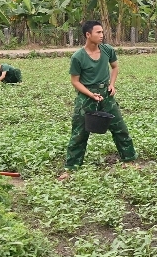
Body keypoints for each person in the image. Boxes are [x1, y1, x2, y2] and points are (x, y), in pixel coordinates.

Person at [58, 20, 137, 180]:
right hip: (86, 97)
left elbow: (115, 67)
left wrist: (112, 85)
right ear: (88, 35)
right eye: (98, 32)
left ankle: (129, 160)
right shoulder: (78, 57)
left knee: (120, 128)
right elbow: (75, 81)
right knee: (79, 132)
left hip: (106, 94)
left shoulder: (108, 50)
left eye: (102, 32)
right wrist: (90, 94)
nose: (102, 35)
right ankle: (71, 167)